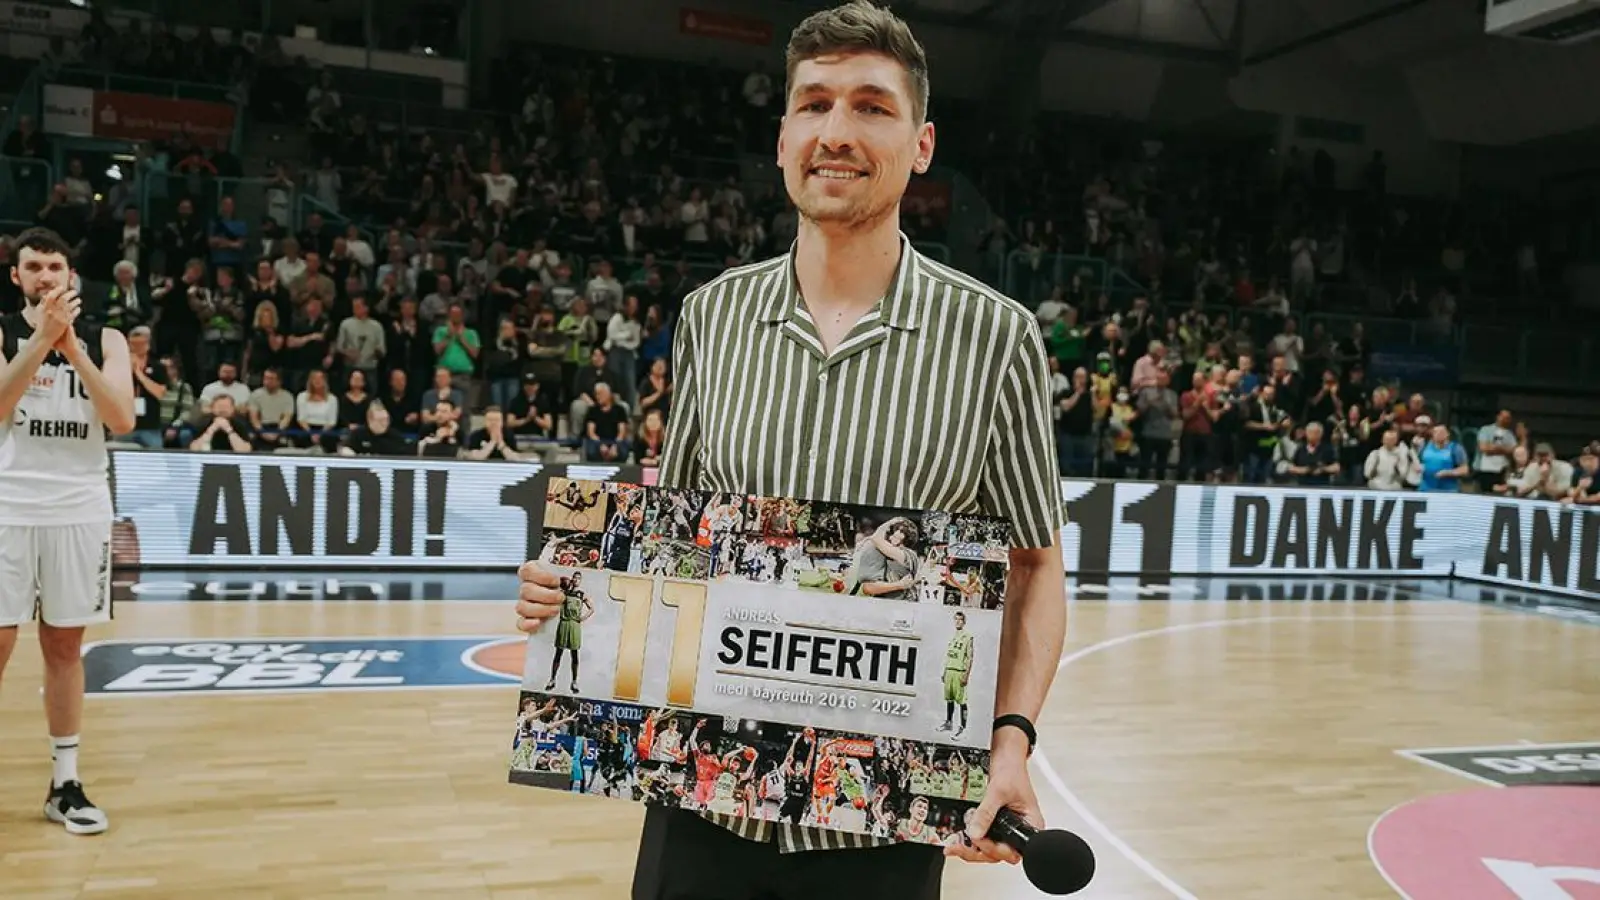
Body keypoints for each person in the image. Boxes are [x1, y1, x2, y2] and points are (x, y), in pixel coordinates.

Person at [515, 3, 1067, 897]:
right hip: (702, 801)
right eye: (813, 104)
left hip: (881, 823)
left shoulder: (997, 337)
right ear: (782, 139)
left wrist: (1010, 742)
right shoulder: (712, 316)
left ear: (922, 145)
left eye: (871, 107)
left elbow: (1036, 565)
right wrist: (577, 584)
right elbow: (671, 546)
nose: (836, 132)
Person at [0, 227, 136, 836]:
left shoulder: (107, 338)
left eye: (55, 266)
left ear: (71, 275)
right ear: (17, 277)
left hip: (79, 508)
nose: (46, 276)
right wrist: (40, 341)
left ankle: (65, 784)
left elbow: (122, 418)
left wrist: (72, 347)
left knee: (63, 646)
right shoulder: (3, 332)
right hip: (7, 504)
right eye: (34, 267)